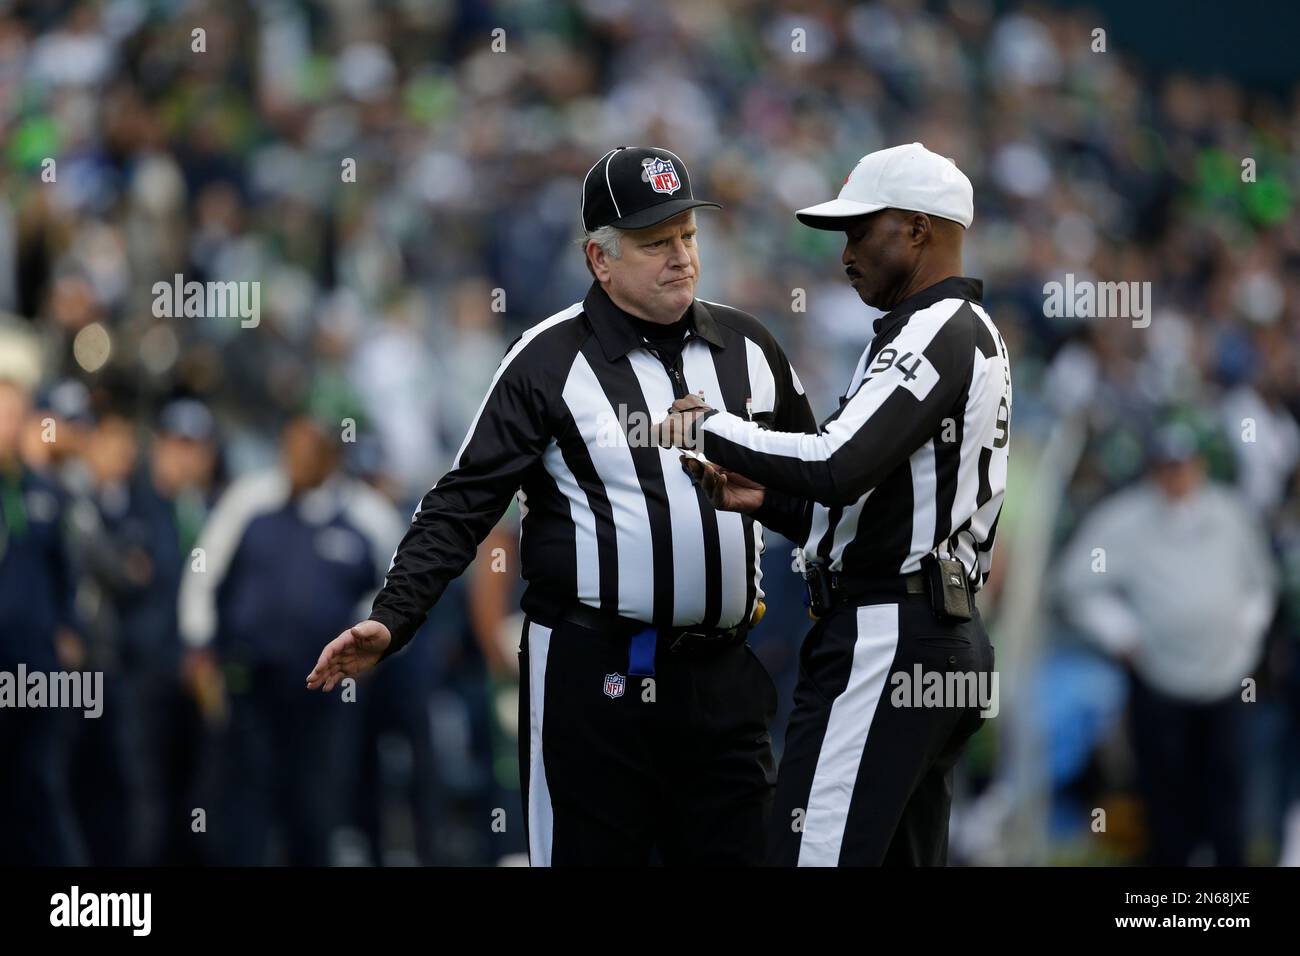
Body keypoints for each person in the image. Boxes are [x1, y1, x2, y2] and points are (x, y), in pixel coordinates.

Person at [308, 146, 817, 866]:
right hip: (594, 674)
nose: (681, 258)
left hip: (721, 677)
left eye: (688, 236)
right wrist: (394, 618)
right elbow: (463, 503)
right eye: (655, 243)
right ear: (599, 260)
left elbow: (816, 491)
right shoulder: (547, 361)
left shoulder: (752, 348)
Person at [658, 143, 1010, 866]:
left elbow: (837, 463)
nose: (845, 252)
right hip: (931, 628)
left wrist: (710, 423)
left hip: (891, 632)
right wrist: (769, 502)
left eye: (861, 230)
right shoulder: (947, 331)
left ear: (916, 228)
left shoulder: (940, 327)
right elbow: (866, 502)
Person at [179, 413, 405, 865]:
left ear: (332, 454)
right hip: (252, 679)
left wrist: (372, 650)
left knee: (315, 807)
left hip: (327, 687)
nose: (295, 460)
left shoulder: (367, 516)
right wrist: (200, 644)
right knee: (245, 801)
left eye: (308, 449)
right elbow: (203, 569)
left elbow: (401, 594)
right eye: (290, 448)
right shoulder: (250, 500)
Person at [1055, 421, 1277, 865]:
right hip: (1159, 678)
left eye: (1185, 465)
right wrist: (1120, 631)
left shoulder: (1230, 514)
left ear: (1200, 465)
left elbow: (1260, 585)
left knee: (1226, 786)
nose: (1177, 476)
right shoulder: (1125, 519)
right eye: (1167, 466)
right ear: (1154, 469)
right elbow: (1076, 582)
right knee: (1164, 790)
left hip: (1224, 677)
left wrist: (1244, 635)